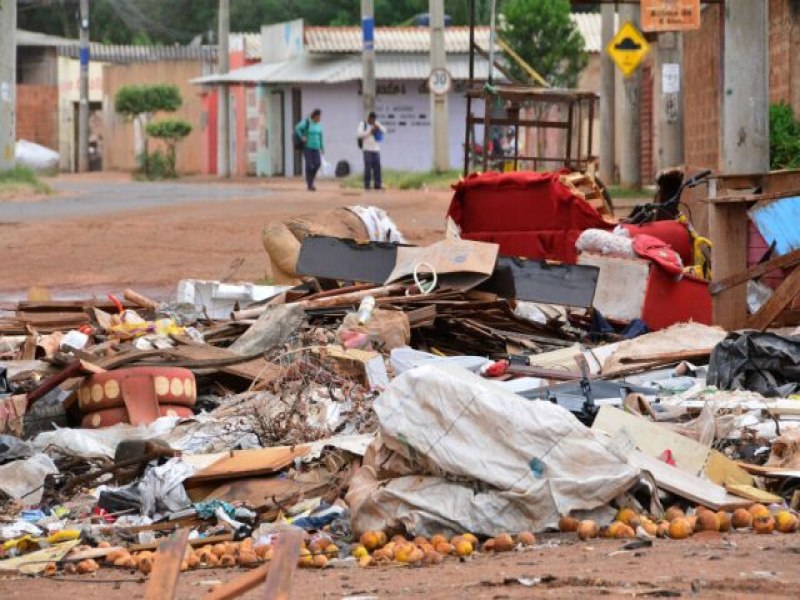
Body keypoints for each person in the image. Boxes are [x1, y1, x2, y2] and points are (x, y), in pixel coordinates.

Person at [295, 109, 324, 191]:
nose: (319, 118)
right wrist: (302, 137)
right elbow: (297, 128)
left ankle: (311, 179)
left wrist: (322, 147)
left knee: (318, 164)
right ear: (314, 116)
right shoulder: (307, 122)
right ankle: (310, 184)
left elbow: (321, 136)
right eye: (318, 117)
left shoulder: (319, 125)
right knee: (309, 165)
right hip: (308, 147)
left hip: (316, 147)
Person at [357, 112, 386, 190]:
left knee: (377, 168)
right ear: (369, 118)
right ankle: (367, 185)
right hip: (367, 150)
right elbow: (360, 135)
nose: (372, 121)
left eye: (374, 119)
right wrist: (370, 132)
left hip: (376, 150)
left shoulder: (376, 124)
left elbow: (384, 130)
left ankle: (377, 185)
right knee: (368, 169)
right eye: (371, 119)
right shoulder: (363, 124)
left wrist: (378, 127)